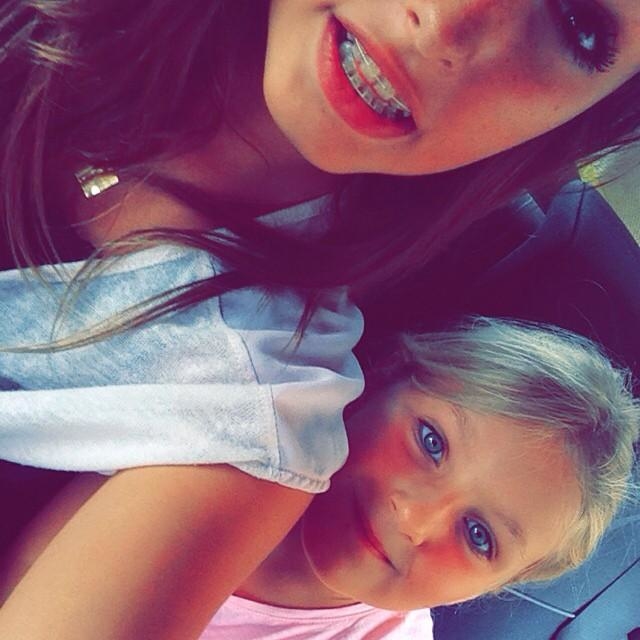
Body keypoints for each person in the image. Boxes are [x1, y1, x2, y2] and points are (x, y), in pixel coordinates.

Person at [1, 0, 639, 637]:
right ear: (386, 376)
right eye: (431, 443)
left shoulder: (256, 412)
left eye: (579, 27)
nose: (446, 23)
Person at [2, 318, 638, 640]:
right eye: (431, 442)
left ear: (499, 585)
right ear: (378, 383)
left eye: (479, 535)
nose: (416, 518)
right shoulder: (218, 449)